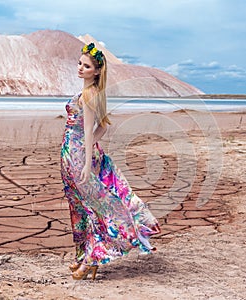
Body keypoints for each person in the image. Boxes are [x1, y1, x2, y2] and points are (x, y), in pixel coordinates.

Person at [60, 43, 161, 280]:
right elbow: (103, 127)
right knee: (78, 207)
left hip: (78, 157)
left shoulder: (89, 95)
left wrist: (85, 159)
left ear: (96, 71)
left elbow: (89, 131)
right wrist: (89, 149)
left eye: (86, 66)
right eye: (80, 63)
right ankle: (83, 256)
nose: (80, 68)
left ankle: (92, 258)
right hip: (72, 153)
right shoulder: (91, 93)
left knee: (91, 207)